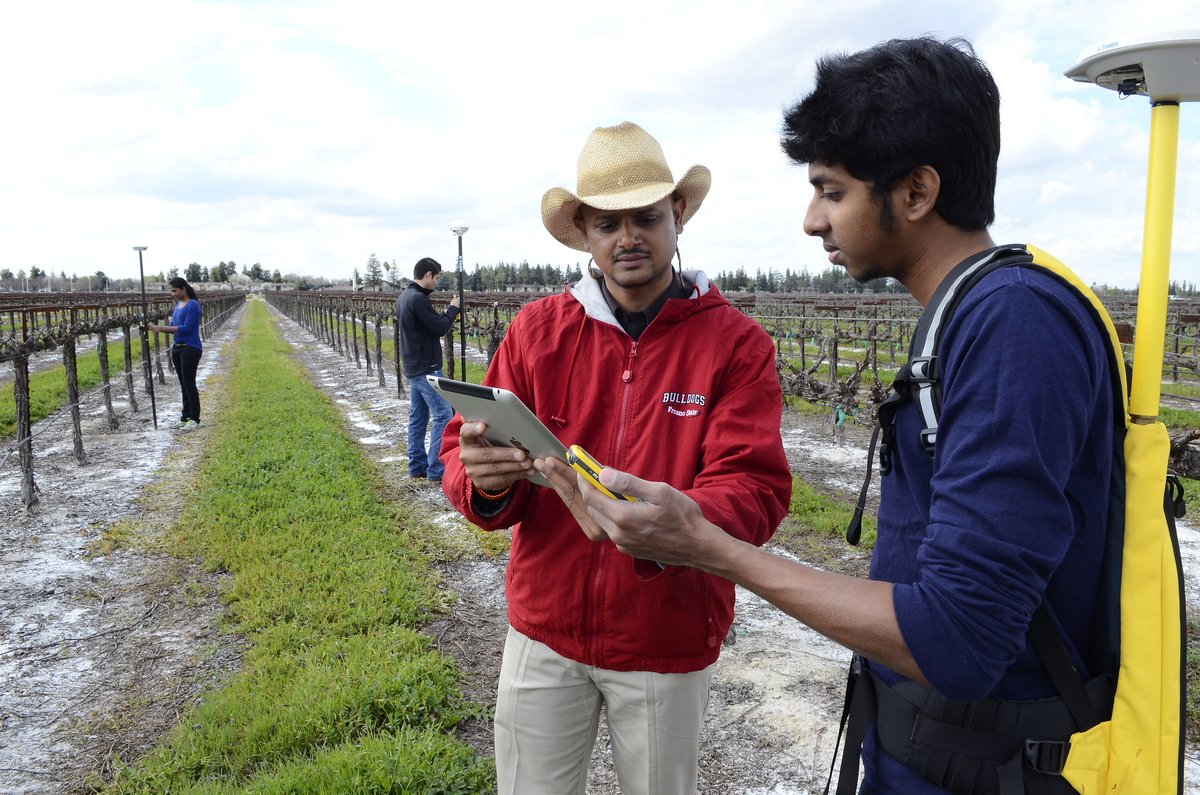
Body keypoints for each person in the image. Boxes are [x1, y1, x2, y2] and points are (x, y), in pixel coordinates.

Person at [564, 40, 1119, 795]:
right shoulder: (974, 315)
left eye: (831, 191)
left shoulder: (1013, 324)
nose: (810, 219)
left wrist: (710, 547)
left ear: (917, 192)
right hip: (940, 754)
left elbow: (959, 635)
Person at [439, 121, 792, 795]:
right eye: (608, 222)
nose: (627, 236)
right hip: (544, 627)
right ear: (585, 233)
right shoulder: (538, 331)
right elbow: (464, 446)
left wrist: (678, 523)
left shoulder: (736, 344)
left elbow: (756, 486)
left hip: (667, 633)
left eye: (645, 217)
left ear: (677, 216)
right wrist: (482, 481)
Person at [397, 257, 461, 482]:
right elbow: (440, 327)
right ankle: (436, 469)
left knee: (418, 417)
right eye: (435, 277)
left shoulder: (404, 296)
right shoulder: (418, 300)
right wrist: (453, 309)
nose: (436, 282)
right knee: (444, 414)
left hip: (413, 366)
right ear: (427, 275)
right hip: (427, 368)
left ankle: (416, 466)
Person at [149, 276, 203, 432]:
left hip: (190, 348)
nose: (172, 294)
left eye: (174, 291)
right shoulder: (178, 305)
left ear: (183, 289)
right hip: (178, 348)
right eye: (171, 291)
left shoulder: (193, 305)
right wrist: (159, 328)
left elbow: (186, 328)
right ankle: (185, 417)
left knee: (189, 384)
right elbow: (174, 325)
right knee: (183, 385)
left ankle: (195, 419)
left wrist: (161, 328)